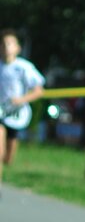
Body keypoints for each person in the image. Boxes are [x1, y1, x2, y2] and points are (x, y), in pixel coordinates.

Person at [0, 29, 46, 191]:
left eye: (10, 44)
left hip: (16, 114)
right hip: (0, 112)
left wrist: (21, 100)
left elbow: (39, 90)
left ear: (17, 48)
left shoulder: (23, 67)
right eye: (4, 44)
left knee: (7, 158)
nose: (6, 47)